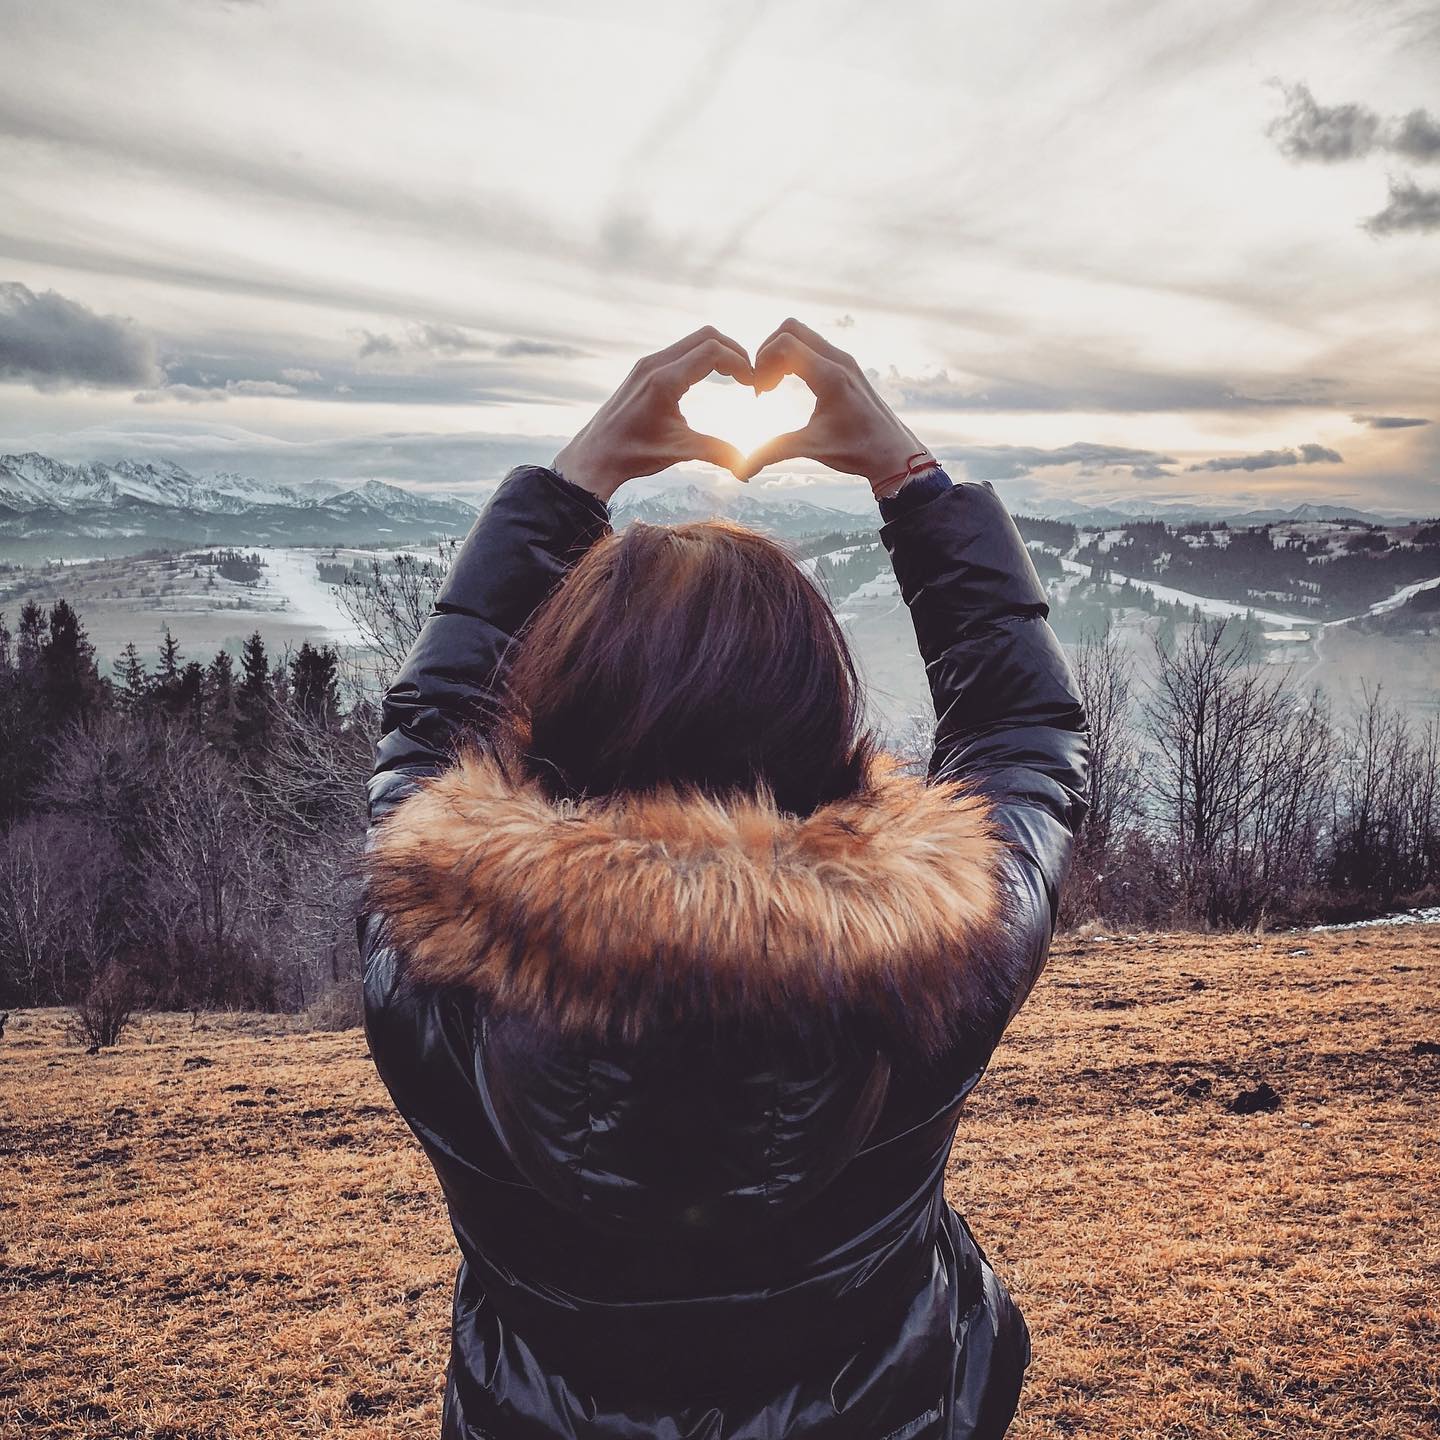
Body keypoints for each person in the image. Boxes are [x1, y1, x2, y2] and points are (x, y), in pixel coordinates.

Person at [358, 319, 1090, 1439]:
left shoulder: (435, 957)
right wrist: (909, 477)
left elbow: (423, 740)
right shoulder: (934, 959)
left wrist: (572, 483)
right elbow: (1022, 729)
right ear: (818, 730)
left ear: (550, 725)